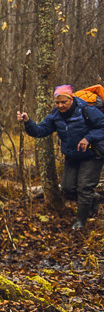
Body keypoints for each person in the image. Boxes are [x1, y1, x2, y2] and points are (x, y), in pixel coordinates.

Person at [18, 84, 104, 229]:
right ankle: (93, 199)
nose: (60, 105)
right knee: (67, 188)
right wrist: (28, 122)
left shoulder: (86, 109)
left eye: (64, 102)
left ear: (71, 99)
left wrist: (89, 138)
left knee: (84, 188)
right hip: (72, 156)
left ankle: (80, 223)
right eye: (57, 102)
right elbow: (40, 131)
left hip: (92, 154)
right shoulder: (55, 115)